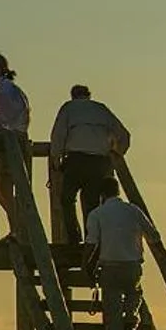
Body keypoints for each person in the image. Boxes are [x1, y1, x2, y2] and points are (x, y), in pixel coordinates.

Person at [84, 175, 157, 330]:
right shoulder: (133, 211)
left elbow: (91, 243)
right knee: (135, 294)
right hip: (132, 265)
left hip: (109, 268)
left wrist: (86, 266)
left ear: (102, 196)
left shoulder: (97, 214)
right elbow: (153, 235)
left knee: (112, 321)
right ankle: (131, 318)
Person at [50, 83, 132, 244]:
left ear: (73, 96)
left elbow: (58, 134)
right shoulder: (101, 109)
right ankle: (92, 239)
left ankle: (74, 237)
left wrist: (55, 158)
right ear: (88, 96)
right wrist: (117, 153)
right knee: (92, 203)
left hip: (76, 160)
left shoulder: (69, 107)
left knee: (67, 199)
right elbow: (124, 135)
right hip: (100, 162)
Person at [0, 51, 32, 229]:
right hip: (17, 138)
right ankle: (17, 225)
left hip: (12, 140)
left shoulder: (5, 90)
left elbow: (9, 119)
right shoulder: (12, 88)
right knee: (4, 186)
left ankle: (17, 225)